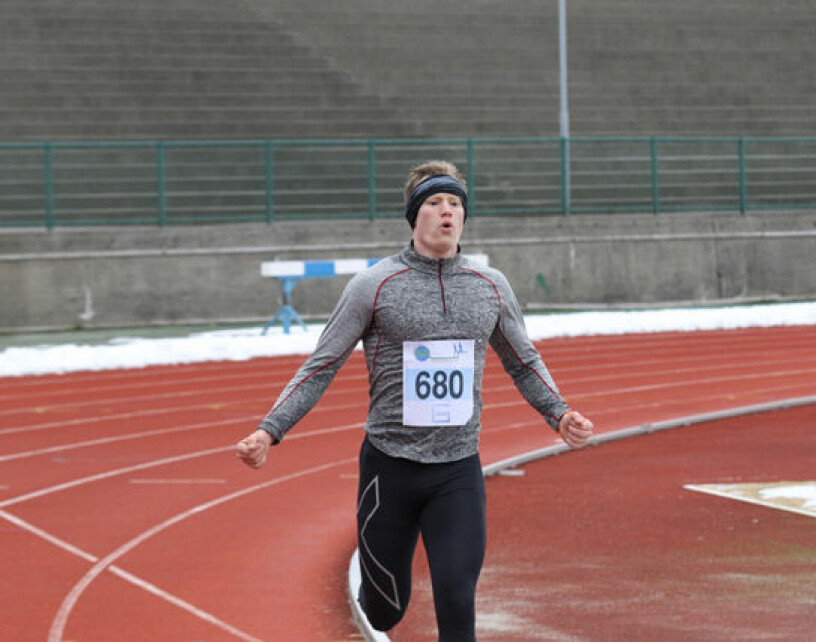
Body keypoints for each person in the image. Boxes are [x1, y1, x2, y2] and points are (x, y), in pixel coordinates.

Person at [235, 160, 594, 641]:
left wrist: (559, 412)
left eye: (455, 203)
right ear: (413, 215)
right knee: (384, 612)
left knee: (457, 596)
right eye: (434, 202)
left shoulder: (490, 286)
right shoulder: (374, 285)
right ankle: (376, 600)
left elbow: (523, 361)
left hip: (457, 470)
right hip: (390, 469)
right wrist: (270, 429)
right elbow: (322, 364)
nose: (447, 211)